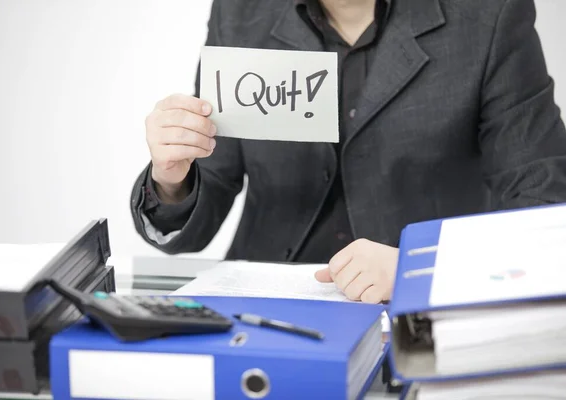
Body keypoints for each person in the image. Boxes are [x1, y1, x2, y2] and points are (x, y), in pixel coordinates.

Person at [130, 0, 566, 304]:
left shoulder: (489, 14)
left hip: (409, 303)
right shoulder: (242, 10)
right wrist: (172, 178)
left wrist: (420, 267)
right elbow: (216, 177)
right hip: (269, 296)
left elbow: (543, 203)